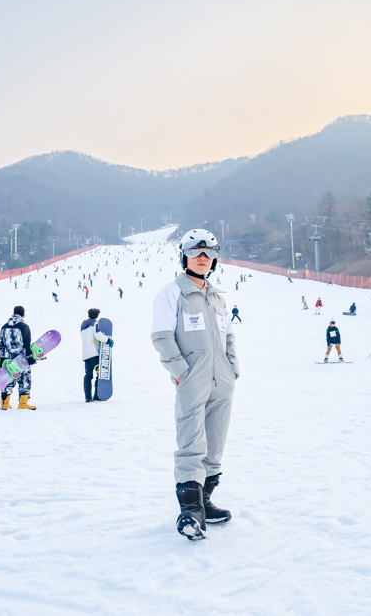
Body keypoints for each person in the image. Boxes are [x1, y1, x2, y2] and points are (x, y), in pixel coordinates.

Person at [151, 229, 238, 541]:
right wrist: (180, 372)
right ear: (185, 256)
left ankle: (206, 503)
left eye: (209, 253)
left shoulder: (217, 297)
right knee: (191, 443)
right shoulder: (172, 293)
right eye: (196, 252)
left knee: (215, 443)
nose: (203, 258)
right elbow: (161, 336)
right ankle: (190, 512)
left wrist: (232, 368)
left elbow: (227, 335)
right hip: (193, 378)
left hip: (222, 380)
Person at [0, 306, 37, 410]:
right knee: (25, 380)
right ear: (23, 315)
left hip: (7, 358)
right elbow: (27, 344)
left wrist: (1, 359)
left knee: (8, 379)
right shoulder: (24, 326)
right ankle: (23, 404)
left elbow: (1, 344)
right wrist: (30, 358)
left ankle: (4, 404)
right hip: (21, 358)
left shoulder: (4, 327)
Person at [81, 308, 111, 403]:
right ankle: (97, 396)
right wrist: (107, 340)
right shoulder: (95, 324)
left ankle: (88, 397)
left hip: (86, 354)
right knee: (100, 374)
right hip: (94, 353)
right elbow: (97, 335)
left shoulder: (83, 326)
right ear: (97, 316)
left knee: (88, 375)